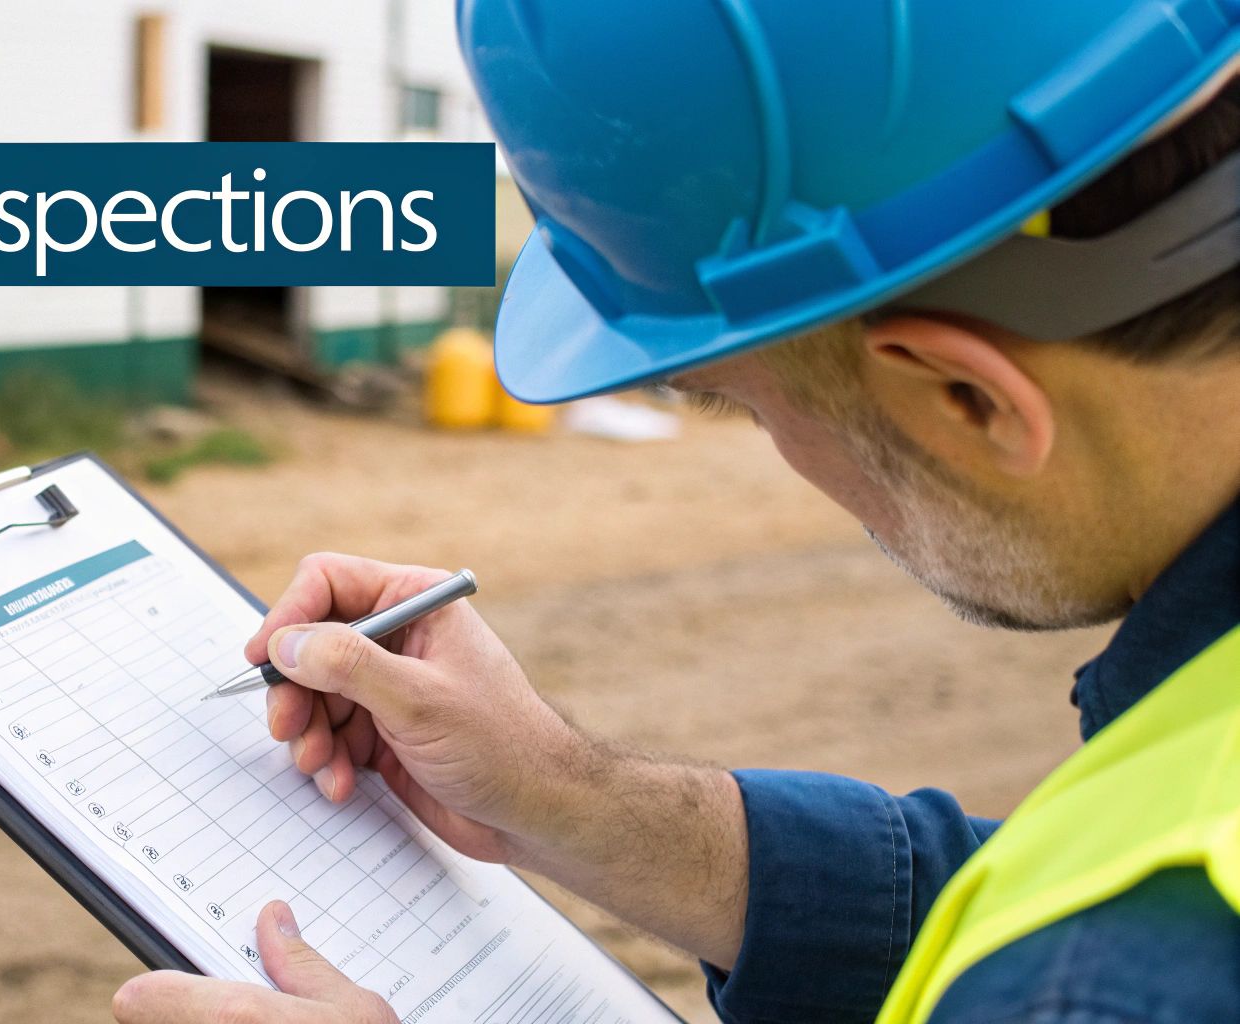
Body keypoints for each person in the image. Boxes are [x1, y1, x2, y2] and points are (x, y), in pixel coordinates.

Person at [113, 3, 1240, 1021]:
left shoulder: (1115, 973)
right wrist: (562, 793)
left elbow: (1069, 955)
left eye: (740, 404)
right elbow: (1019, 891)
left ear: (967, 400)